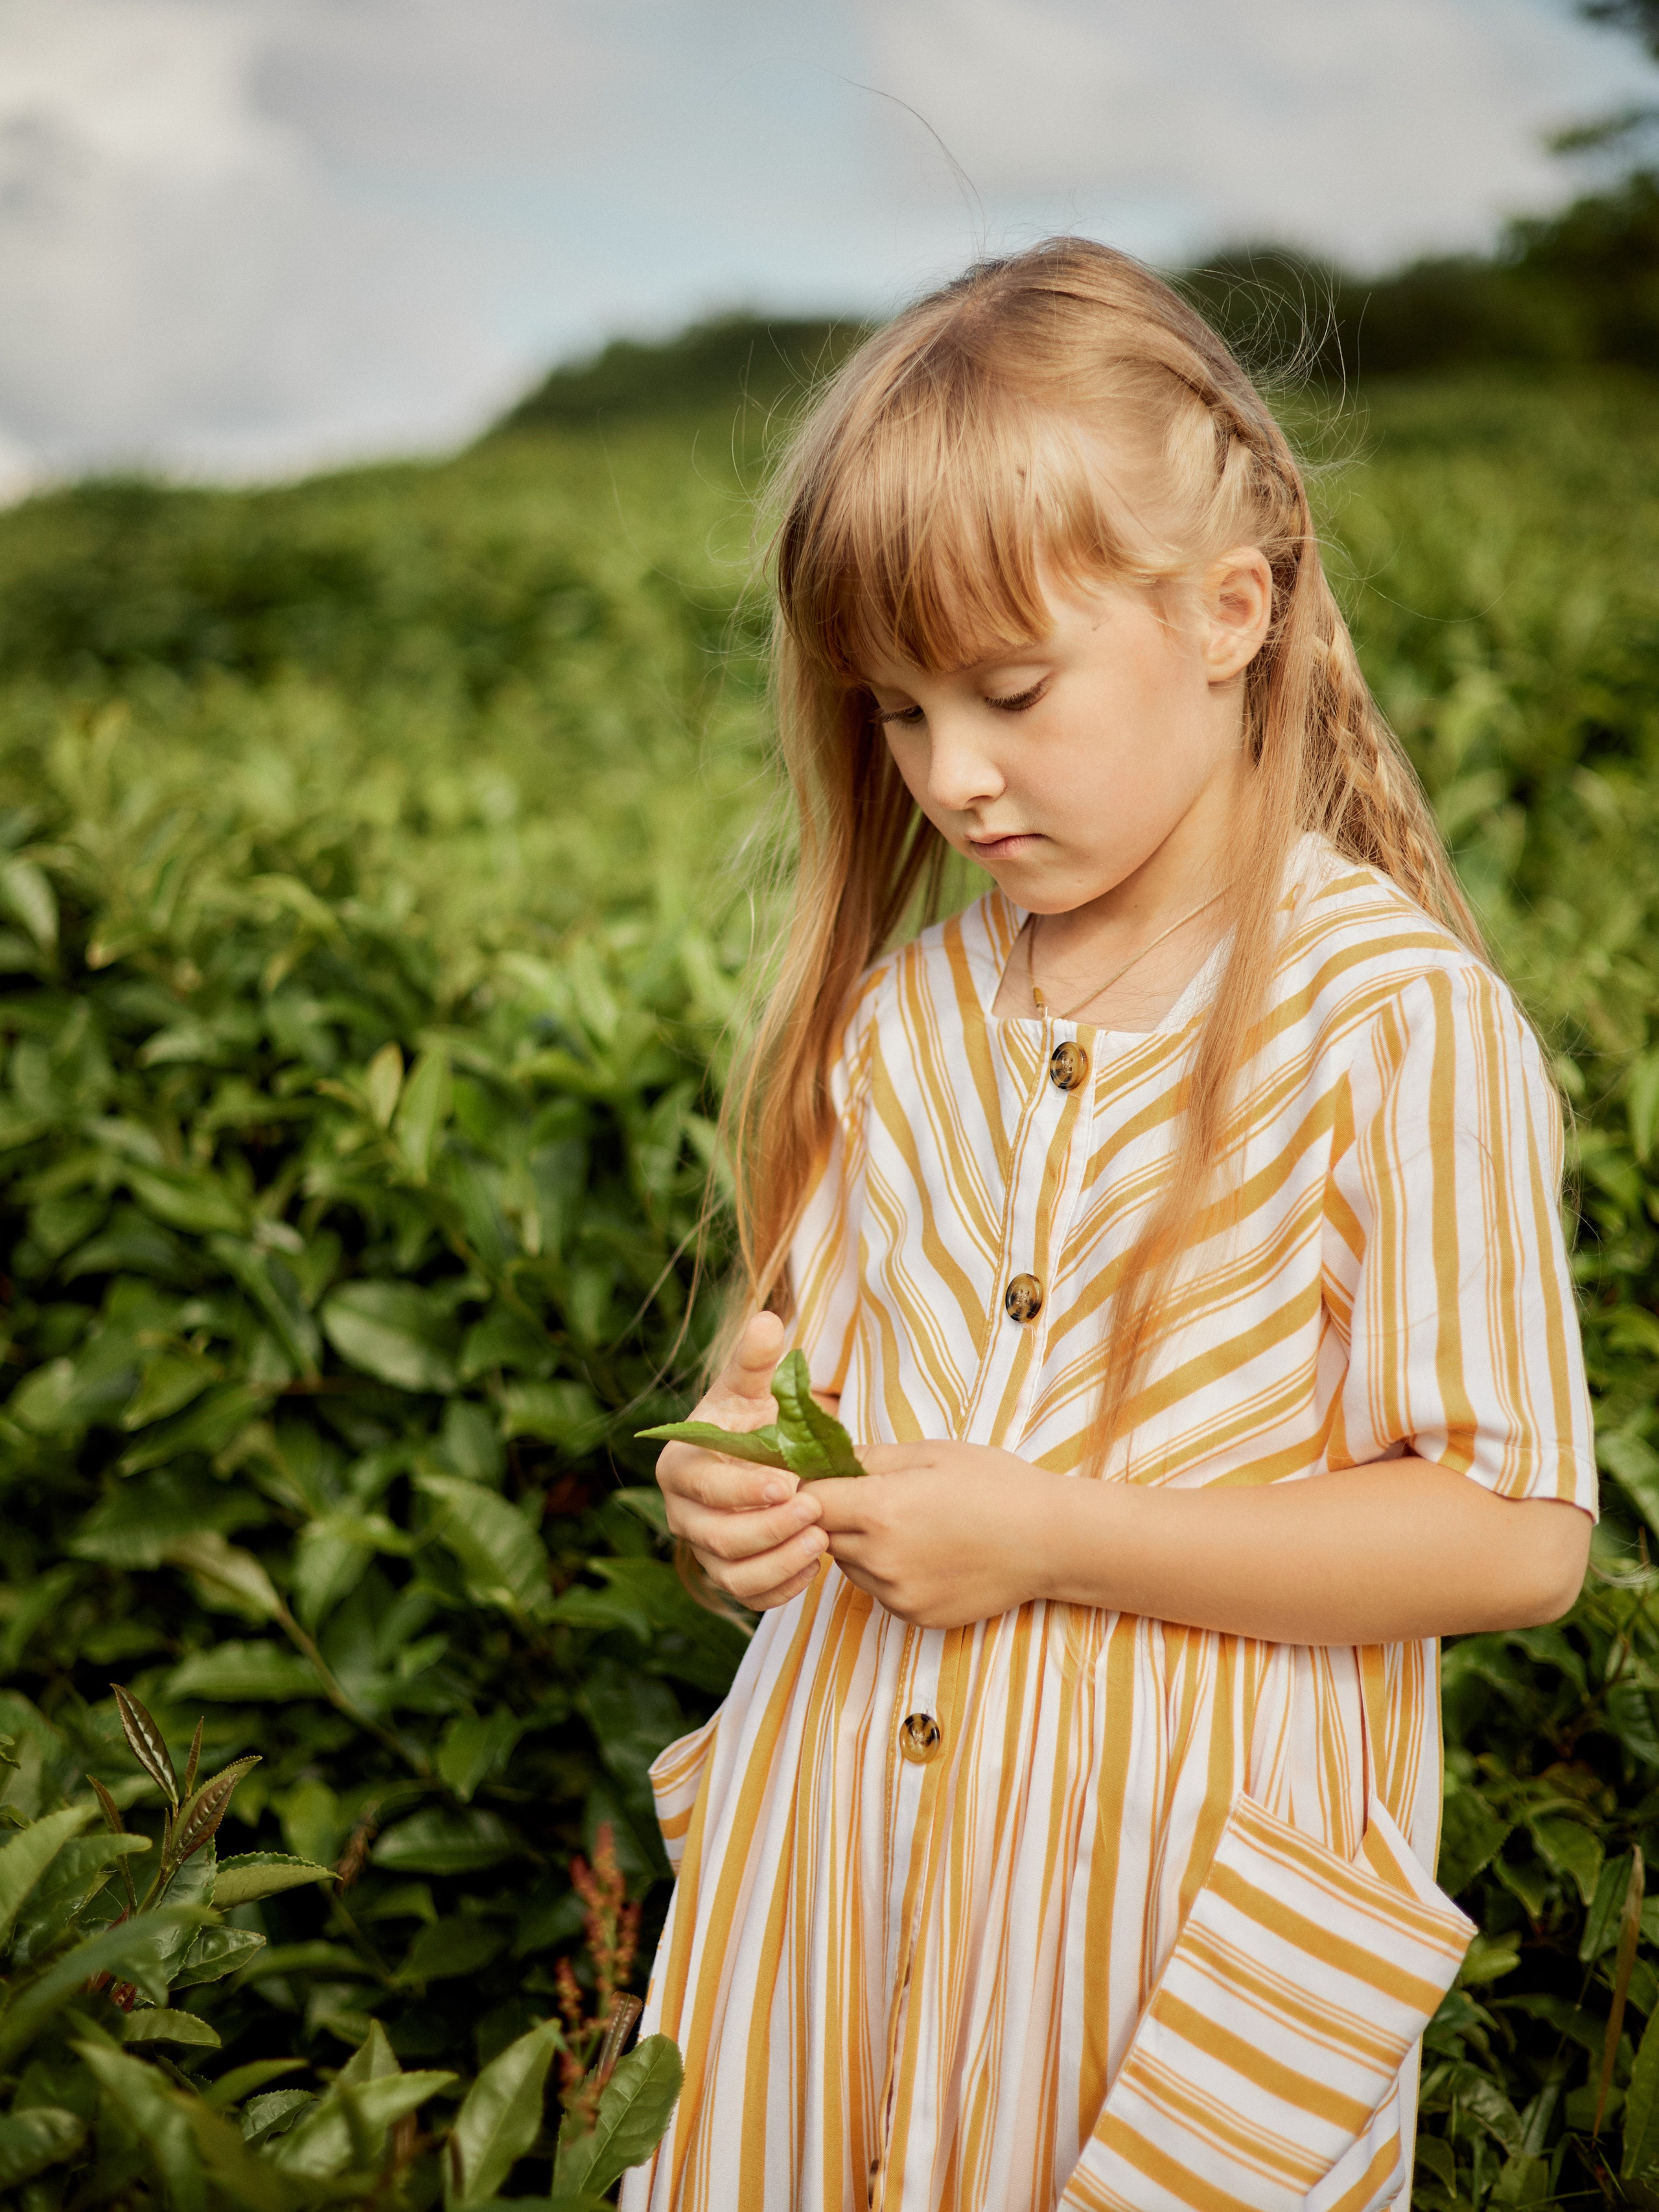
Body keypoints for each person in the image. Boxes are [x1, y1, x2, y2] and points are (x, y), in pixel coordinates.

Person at [623, 239, 1596, 2212]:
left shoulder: (1396, 1023)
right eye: (894, 713)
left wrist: (1054, 1533)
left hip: (1165, 1982)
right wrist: (730, 1493)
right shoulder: (905, 1023)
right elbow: (787, 1396)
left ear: (1231, 608)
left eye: (1007, 691)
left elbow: (1515, 1536)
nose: (950, 777)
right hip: (828, 1938)